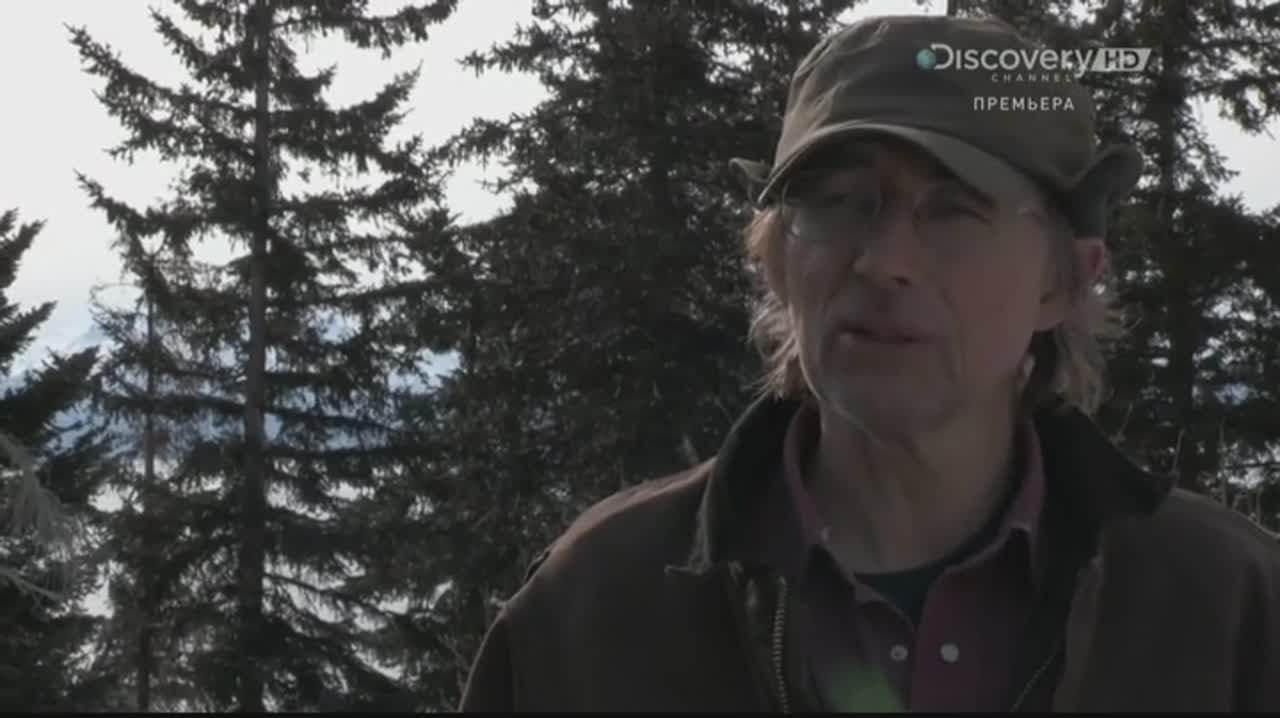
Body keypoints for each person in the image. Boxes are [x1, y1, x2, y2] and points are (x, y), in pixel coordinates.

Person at [459, 14, 1280, 713]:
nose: (884, 261)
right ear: (776, 258)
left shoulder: (1229, 612)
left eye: (954, 210)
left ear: (1063, 281)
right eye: (841, 202)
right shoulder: (599, 607)